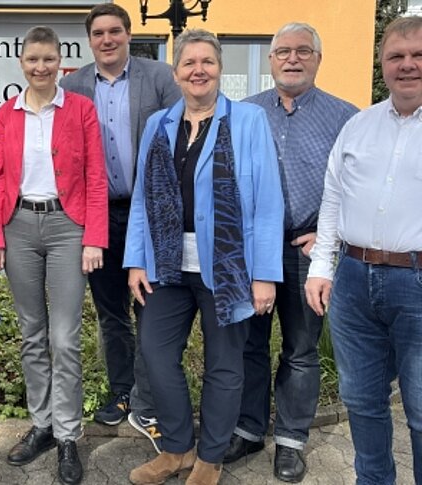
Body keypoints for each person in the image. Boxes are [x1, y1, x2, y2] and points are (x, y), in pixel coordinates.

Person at [124, 29, 283, 485]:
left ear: (219, 69)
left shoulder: (249, 121)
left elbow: (268, 201)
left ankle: (210, 458)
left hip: (230, 267)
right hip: (166, 264)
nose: (199, 70)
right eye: (189, 63)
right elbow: (143, 199)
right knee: (156, 355)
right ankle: (177, 449)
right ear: (176, 73)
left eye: (207, 62)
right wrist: (136, 261)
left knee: (224, 366)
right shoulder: (159, 125)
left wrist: (264, 275)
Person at [222, 22, 358, 483]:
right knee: (249, 346)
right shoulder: (244, 113)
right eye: (283, 51)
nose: (292, 58)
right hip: (251, 250)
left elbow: (359, 186)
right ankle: (248, 430)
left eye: (303, 51)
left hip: (306, 250)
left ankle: (291, 441)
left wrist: (330, 236)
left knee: (301, 349)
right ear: (271, 60)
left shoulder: (345, 117)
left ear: (318, 59)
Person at [0, 26, 108, 485]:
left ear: (60, 62)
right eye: (33, 59)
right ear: (22, 63)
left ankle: (68, 434)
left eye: (48, 59)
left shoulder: (80, 109)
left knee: (64, 338)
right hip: (18, 225)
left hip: (67, 227)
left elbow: (95, 175)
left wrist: (94, 237)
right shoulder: (8, 112)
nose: (41, 67)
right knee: (31, 333)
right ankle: (42, 425)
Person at [306, 15, 422, 485]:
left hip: (417, 283)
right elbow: (333, 200)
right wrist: (321, 267)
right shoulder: (358, 126)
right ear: (382, 63)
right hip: (353, 280)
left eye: (418, 55)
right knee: (362, 400)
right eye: (396, 56)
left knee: (420, 408)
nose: (407, 64)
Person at [60, 3, 181, 438]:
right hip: (99, 215)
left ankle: (151, 398)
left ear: (129, 34)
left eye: (115, 31)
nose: (107, 40)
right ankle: (123, 392)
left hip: (150, 214)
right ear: (89, 40)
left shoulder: (160, 77)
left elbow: (181, 137)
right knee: (112, 312)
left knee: (151, 308)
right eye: (98, 33)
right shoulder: (72, 85)